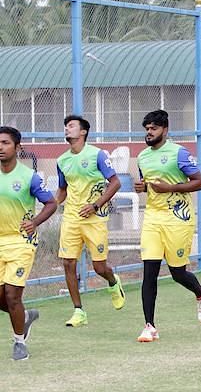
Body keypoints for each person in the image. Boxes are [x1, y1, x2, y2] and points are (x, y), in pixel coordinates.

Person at [134, 109, 201, 342]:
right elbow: (150, 184)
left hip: (178, 219)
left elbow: (199, 182)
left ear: (165, 130)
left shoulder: (179, 153)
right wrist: (144, 188)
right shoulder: (142, 157)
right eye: (147, 129)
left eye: (154, 128)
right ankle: (149, 325)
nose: (149, 133)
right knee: (149, 272)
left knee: (178, 272)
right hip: (153, 218)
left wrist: (170, 188)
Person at [56, 115, 125, 327]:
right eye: (66, 126)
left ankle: (113, 283)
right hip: (71, 217)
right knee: (68, 263)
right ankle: (79, 311)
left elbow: (115, 183)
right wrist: (47, 207)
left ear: (83, 131)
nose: (67, 129)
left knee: (99, 267)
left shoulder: (97, 155)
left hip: (95, 218)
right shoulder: (62, 161)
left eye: (71, 126)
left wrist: (95, 205)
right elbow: (62, 191)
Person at [0, 126, 57, 360]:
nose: (0, 147)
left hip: (21, 242)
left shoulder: (28, 177)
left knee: (12, 295)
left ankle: (19, 343)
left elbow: (51, 203)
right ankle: (24, 317)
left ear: (18, 147)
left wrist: (35, 222)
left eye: (5, 143)